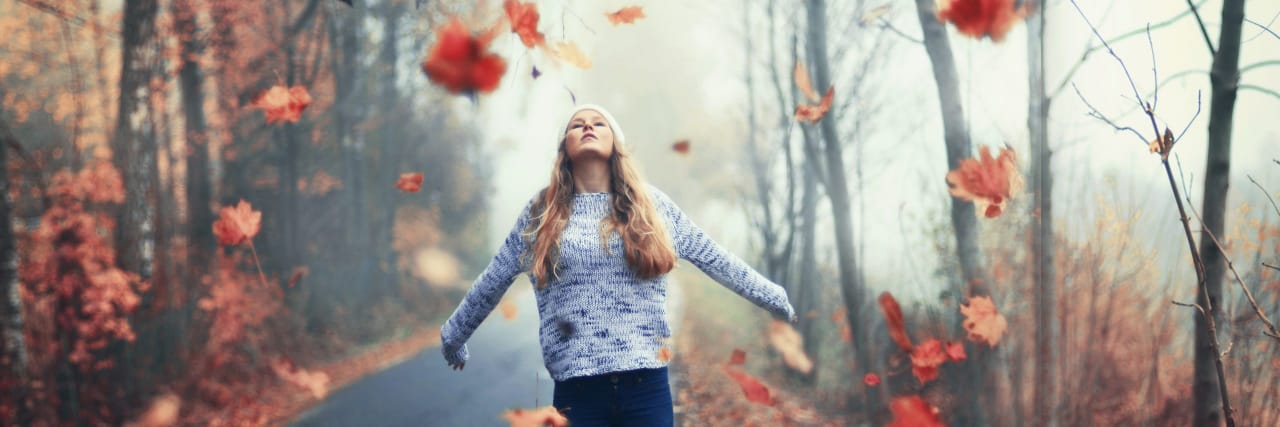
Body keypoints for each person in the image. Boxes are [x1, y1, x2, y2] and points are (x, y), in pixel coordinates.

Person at [440, 104, 796, 427]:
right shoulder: (541, 213)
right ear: (565, 147)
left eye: (599, 123)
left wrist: (773, 297)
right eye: (577, 125)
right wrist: (454, 337)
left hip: (647, 389)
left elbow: (715, 257)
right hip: (576, 397)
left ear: (616, 143)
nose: (588, 127)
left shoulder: (652, 206)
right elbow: (493, 279)